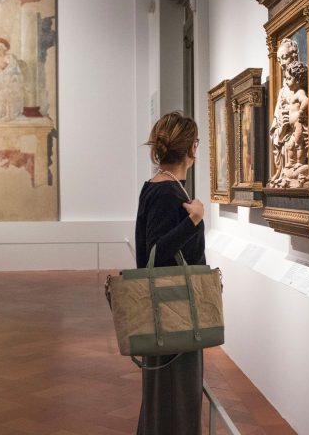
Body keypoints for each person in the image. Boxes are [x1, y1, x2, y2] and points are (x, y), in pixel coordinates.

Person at [135, 110, 205, 435]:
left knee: (166, 393)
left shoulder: (159, 186)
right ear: (191, 149)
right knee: (177, 392)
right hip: (175, 306)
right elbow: (156, 252)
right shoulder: (166, 192)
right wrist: (193, 221)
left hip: (168, 305)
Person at [269, 38, 299, 186]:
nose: (282, 63)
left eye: (285, 57)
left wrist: (291, 117)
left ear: (294, 56)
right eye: (279, 59)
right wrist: (278, 127)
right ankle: (281, 172)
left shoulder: (300, 86)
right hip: (283, 135)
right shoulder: (282, 91)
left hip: (294, 134)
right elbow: (276, 119)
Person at [281, 60, 309, 187]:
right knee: (289, 145)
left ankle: (299, 162)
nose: (286, 81)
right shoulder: (293, 94)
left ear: (298, 80)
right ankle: (291, 163)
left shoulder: (300, 93)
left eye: (289, 78)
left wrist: (302, 111)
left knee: (299, 143)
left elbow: (306, 101)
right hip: (293, 127)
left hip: (298, 124)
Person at [0, 38, 24, 121]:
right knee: (0, 95)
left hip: (9, 81)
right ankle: (1, 113)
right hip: (0, 81)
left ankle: (9, 115)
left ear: (3, 49)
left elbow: (9, 68)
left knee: (7, 96)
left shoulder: (9, 57)